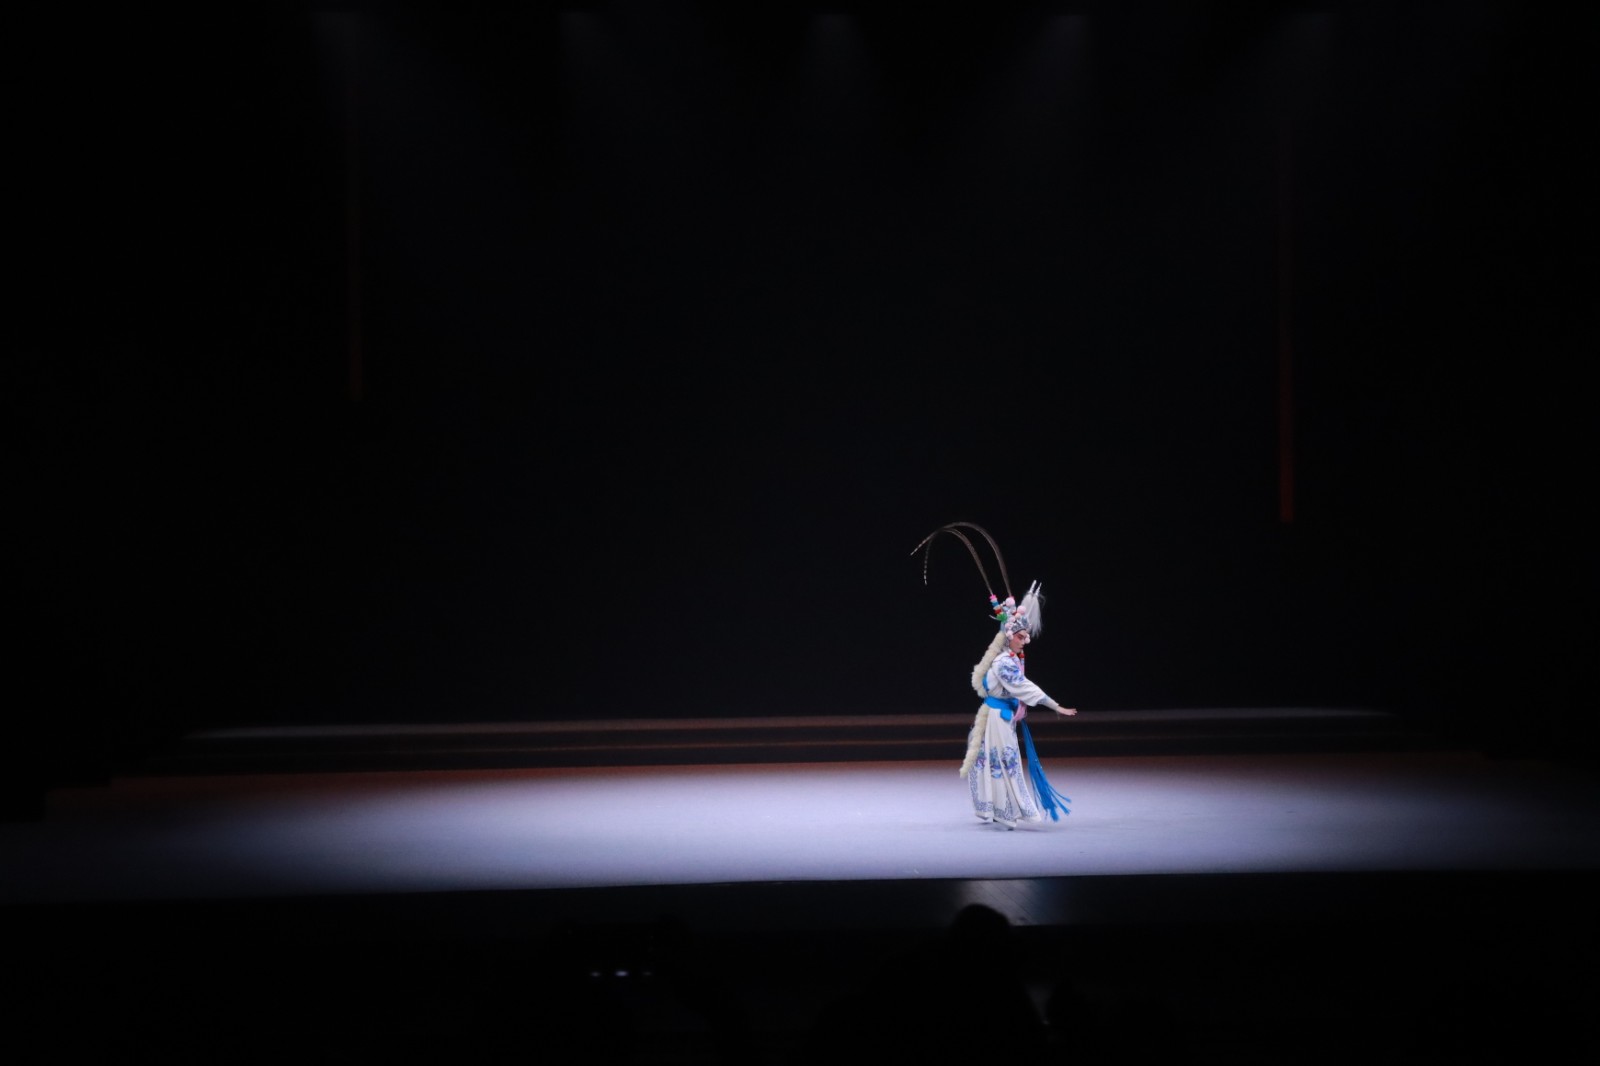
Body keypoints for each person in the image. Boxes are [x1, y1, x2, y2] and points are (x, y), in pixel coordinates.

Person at [961, 583, 1077, 828]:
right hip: (997, 718)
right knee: (1003, 761)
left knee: (995, 761)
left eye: (1026, 637)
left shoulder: (1008, 659)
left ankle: (996, 809)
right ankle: (1005, 811)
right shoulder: (1003, 663)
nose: (1025, 641)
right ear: (1009, 636)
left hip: (997, 715)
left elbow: (1021, 686)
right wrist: (1055, 706)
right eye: (1020, 637)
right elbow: (1025, 686)